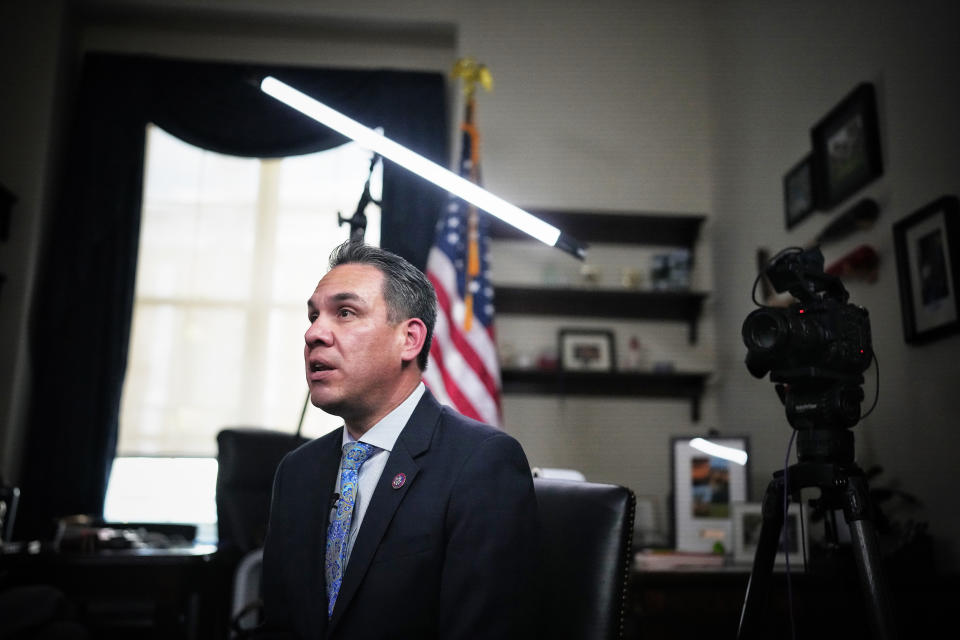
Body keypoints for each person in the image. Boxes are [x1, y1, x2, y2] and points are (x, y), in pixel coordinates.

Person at [255, 241, 538, 639]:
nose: (314, 332)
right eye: (314, 316)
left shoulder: (480, 463)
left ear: (409, 339)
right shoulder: (297, 471)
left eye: (346, 312)